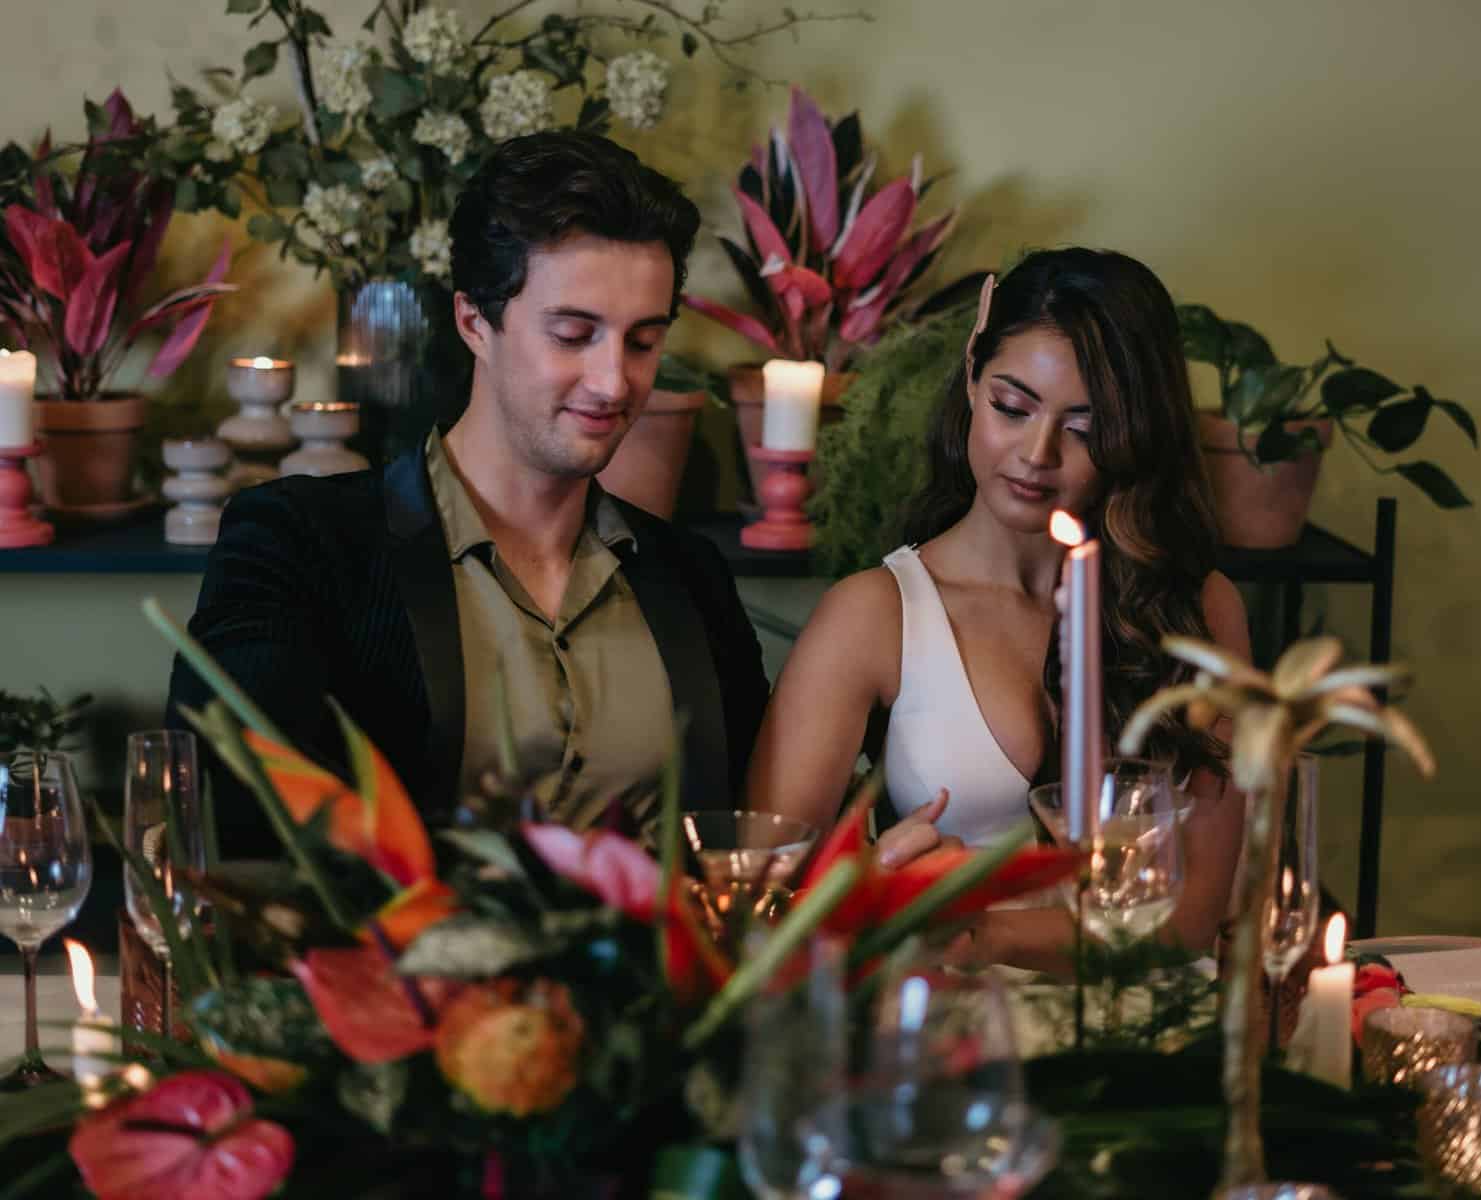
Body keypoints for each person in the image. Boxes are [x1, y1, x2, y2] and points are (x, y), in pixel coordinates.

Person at [168, 132, 769, 856]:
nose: (615, 382)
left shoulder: (693, 578)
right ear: (473, 323)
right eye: (574, 335)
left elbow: (751, 834)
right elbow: (238, 813)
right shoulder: (299, 542)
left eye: (643, 342)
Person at [747, 247, 1249, 963]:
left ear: (1135, 435)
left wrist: (963, 926)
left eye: (1084, 427)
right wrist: (871, 882)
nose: (1036, 453)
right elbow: (756, 896)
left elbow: (1194, 918)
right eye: (1012, 407)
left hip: (1151, 1032)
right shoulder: (875, 615)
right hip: (953, 1034)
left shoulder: (1197, 612)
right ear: (973, 381)